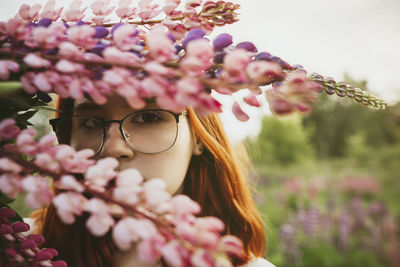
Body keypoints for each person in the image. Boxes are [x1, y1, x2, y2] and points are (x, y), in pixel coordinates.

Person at [30, 93, 275, 267]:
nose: (114, 149)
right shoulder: (21, 247)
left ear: (199, 136)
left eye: (148, 117)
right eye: (91, 122)